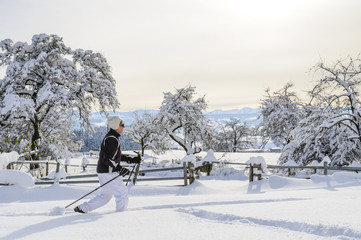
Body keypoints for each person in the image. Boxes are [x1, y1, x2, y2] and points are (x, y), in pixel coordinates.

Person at [74, 116, 141, 213]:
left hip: (104, 171)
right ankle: (121, 214)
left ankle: (82, 208)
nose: (124, 127)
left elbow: (115, 156)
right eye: (122, 125)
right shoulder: (112, 139)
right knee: (122, 193)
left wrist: (131, 159)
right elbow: (107, 158)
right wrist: (119, 168)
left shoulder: (112, 137)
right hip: (108, 172)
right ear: (116, 126)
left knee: (105, 196)